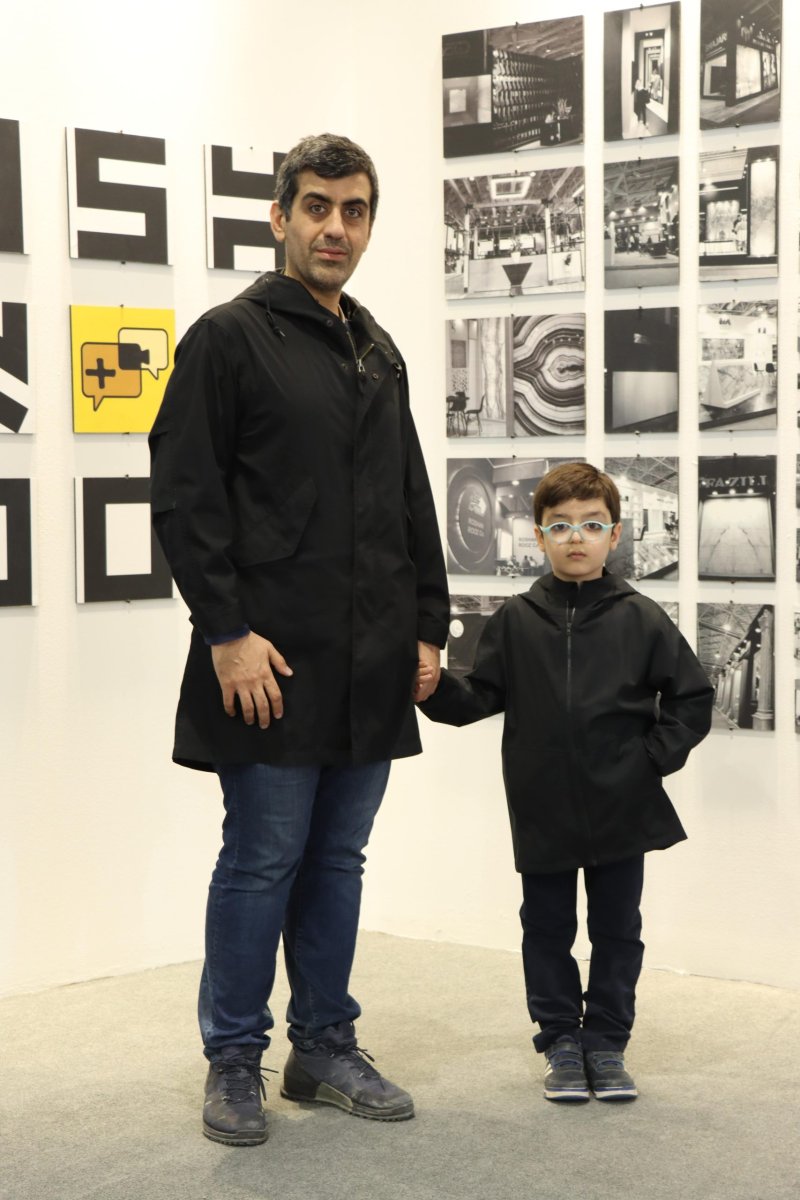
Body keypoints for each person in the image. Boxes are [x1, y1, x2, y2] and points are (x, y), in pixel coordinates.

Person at [149, 133, 449, 1146]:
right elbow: (186, 497)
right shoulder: (227, 340)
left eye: (353, 210)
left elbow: (410, 497)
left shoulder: (376, 348)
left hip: (370, 658)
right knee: (261, 859)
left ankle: (322, 1046)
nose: (335, 227)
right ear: (279, 217)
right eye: (316, 206)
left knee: (338, 861)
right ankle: (234, 1058)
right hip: (268, 662)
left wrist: (428, 624)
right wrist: (225, 632)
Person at [419, 462, 713, 1103]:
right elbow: (480, 696)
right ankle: (559, 1040)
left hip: (622, 802)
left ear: (615, 534)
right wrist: (434, 689)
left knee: (617, 928)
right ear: (538, 535)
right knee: (546, 927)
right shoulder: (516, 619)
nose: (576, 537)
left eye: (591, 525)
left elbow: (692, 699)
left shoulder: (642, 618)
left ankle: (605, 1042)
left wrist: (648, 761)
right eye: (560, 526)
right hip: (542, 801)